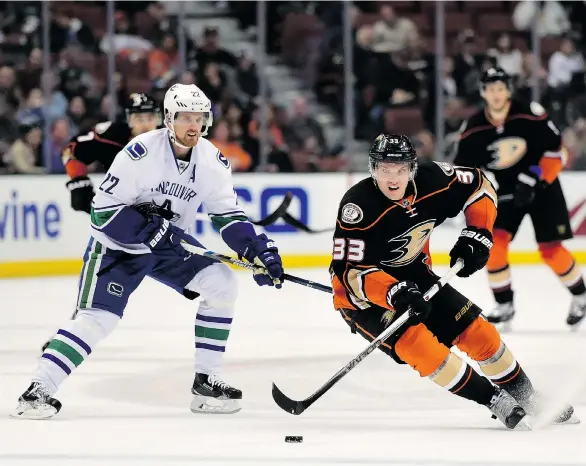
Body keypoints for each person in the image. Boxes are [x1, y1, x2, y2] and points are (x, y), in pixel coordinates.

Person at [12, 84, 285, 419]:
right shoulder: (140, 153)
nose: (193, 126)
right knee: (99, 319)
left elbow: (227, 216)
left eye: (199, 118)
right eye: (185, 117)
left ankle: (206, 382)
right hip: (118, 246)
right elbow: (103, 212)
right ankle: (37, 390)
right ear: (169, 119)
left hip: (166, 245)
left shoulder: (212, 161)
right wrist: (148, 230)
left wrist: (258, 250)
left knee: (222, 283)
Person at [330, 133, 576, 429]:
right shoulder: (357, 207)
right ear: (373, 169)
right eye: (384, 169)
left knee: (480, 334)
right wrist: (392, 292)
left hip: (416, 276)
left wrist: (479, 233)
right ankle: (492, 399)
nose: (392, 179)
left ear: (412, 169)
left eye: (400, 170)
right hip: (364, 299)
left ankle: (526, 394)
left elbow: (480, 185)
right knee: (420, 347)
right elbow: (350, 273)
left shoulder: (434, 180)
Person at [453, 67, 586, 329]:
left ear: (508, 90)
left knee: (551, 251)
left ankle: (581, 296)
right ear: (483, 93)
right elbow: (465, 171)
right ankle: (504, 304)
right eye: (490, 89)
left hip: (543, 190)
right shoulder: (473, 128)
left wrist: (535, 175)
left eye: (500, 88)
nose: (496, 94)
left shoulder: (530, 115)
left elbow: (558, 152)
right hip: (504, 193)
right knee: (495, 245)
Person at [62, 93, 161, 214]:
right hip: (119, 206)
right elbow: (72, 148)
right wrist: (78, 180)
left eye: (150, 118)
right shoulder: (111, 136)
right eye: (139, 119)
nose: (145, 125)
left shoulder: (171, 140)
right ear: (129, 119)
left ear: (158, 119)